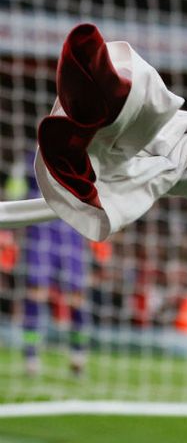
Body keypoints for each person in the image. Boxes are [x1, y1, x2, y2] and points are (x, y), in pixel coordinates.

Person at [4, 157, 89, 379]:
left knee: (76, 296)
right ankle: (31, 357)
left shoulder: (79, 152)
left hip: (70, 224)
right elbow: (13, 194)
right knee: (36, 292)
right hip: (41, 225)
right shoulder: (29, 157)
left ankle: (78, 356)